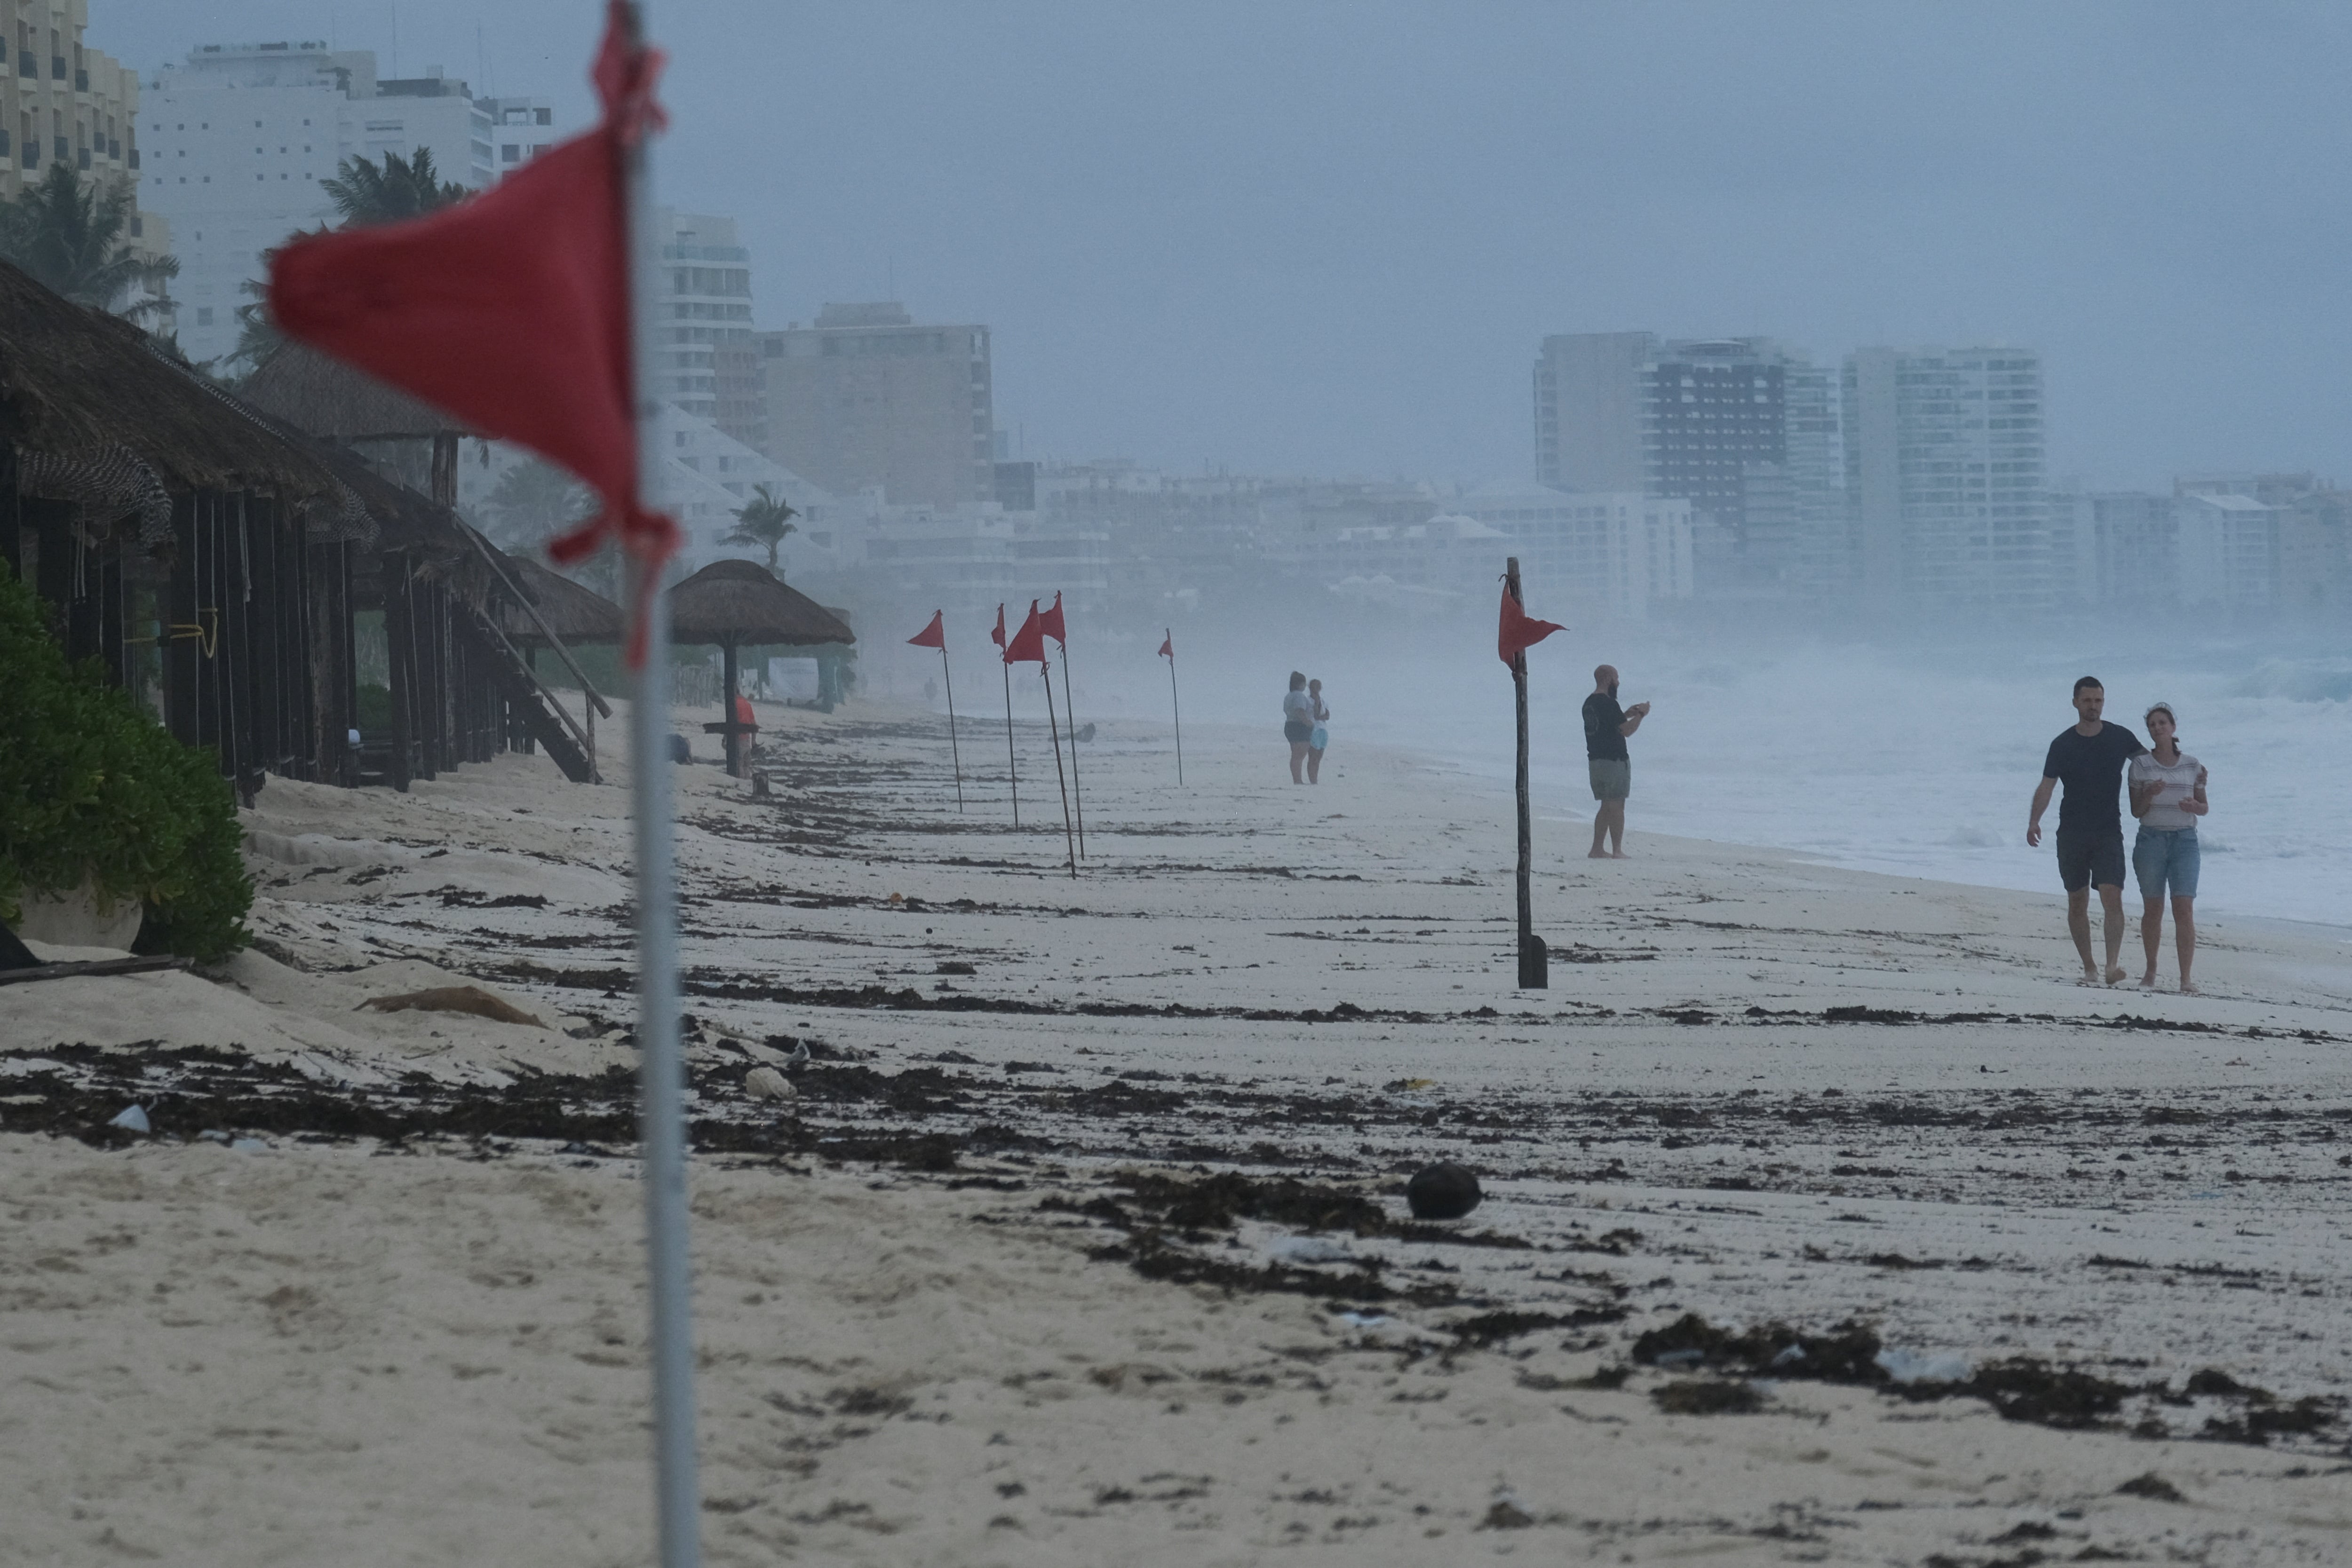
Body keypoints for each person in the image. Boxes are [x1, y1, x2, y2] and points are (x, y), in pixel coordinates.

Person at [2027, 676, 2147, 986]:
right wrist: (2034, 821)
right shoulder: (2063, 744)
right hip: (2072, 834)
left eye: (2099, 701)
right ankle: (2090, 967)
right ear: (2075, 703)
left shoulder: (2120, 737)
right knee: (2077, 901)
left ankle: (2112, 966)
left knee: (2113, 897)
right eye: (2088, 701)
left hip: (2109, 831)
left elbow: (2151, 764)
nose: (2094, 706)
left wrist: (2186, 769)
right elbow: (2046, 786)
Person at [2129, 701, 2208, 994]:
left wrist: (2194, 805)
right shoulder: (2141, 765)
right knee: (2153, 908)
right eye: (2152, 725)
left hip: (2185, 841)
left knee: (2184, 909)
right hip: (2151, 839)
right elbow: (2137, 810)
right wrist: (2149, 793)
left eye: (2163, 723)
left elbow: (2204, 807)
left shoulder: (2192, 764)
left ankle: (2185, 979)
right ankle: (2150, 972)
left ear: (2173, 728)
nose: (2158, 728)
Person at [1581, 664, 1650, 858]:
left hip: (1596, 761)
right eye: (1617, 678)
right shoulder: (1608, 703)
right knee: (1617, 805)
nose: (1618, 682)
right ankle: (1617, 850)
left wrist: (1628, 713)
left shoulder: (1590, 703)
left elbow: (1608, 724)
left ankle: (1597, 849)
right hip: (1614, 760)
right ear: (1609, 678)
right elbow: (1626, 731)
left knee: (1606, 805)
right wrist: (1642, 715)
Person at [1282, 671, 1314, 783]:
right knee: (1299, 754)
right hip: (1299, 726)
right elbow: (1299, 710)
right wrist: (1307, 722)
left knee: (1296, 754)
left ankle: (1297, 779)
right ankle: (1298, 780)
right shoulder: (1298, 696)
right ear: (1300, 684)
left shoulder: (1289, 696)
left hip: (1291, 725)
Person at [1306, 679, 1331, 784]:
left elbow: (1328, 716)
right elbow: (1316, 715)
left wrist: (1321, 716)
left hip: (1323, 730)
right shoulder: (1308, 701)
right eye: (1314, 687)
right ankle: (1313, 780)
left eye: (1318, 687)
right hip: (1313, 730)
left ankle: (1315, 778)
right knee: (1313, 757)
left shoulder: (1324, 701)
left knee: (1319, 757)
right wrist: (1316, 703)